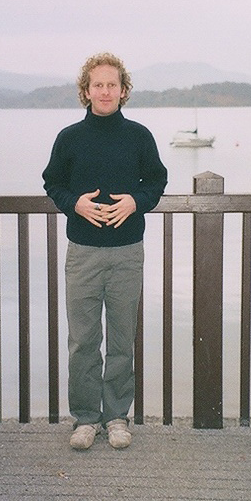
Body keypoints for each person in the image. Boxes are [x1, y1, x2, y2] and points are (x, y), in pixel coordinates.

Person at [42, 52, 167, 450]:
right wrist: (74, 202)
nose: (105, 90)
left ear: (124, 90)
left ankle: (116, 417)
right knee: (82, 340)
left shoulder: (139, 136)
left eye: (112, 84)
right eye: (98, 84)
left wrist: (136, 201)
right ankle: (85, 418)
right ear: (86, 91)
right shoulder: (69, 138)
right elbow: (52, 183)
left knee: (120, 339)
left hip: (127, 252)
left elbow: (157, 181)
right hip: (83, 253)